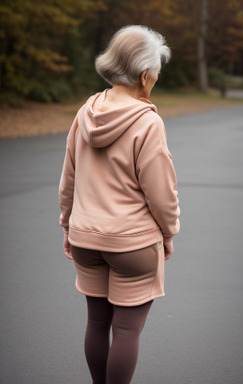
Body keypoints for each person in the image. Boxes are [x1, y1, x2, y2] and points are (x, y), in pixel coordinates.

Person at [59, 25, 180, 384]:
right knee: (126, 332)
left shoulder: (85, 113)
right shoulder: (148, 122)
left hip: (85, 239)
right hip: (132, 244)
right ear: (145, 75)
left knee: (97, 323)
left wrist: (67, 226)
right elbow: (161, 194)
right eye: (156, 73)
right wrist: (169, 234)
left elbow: (69, 178)